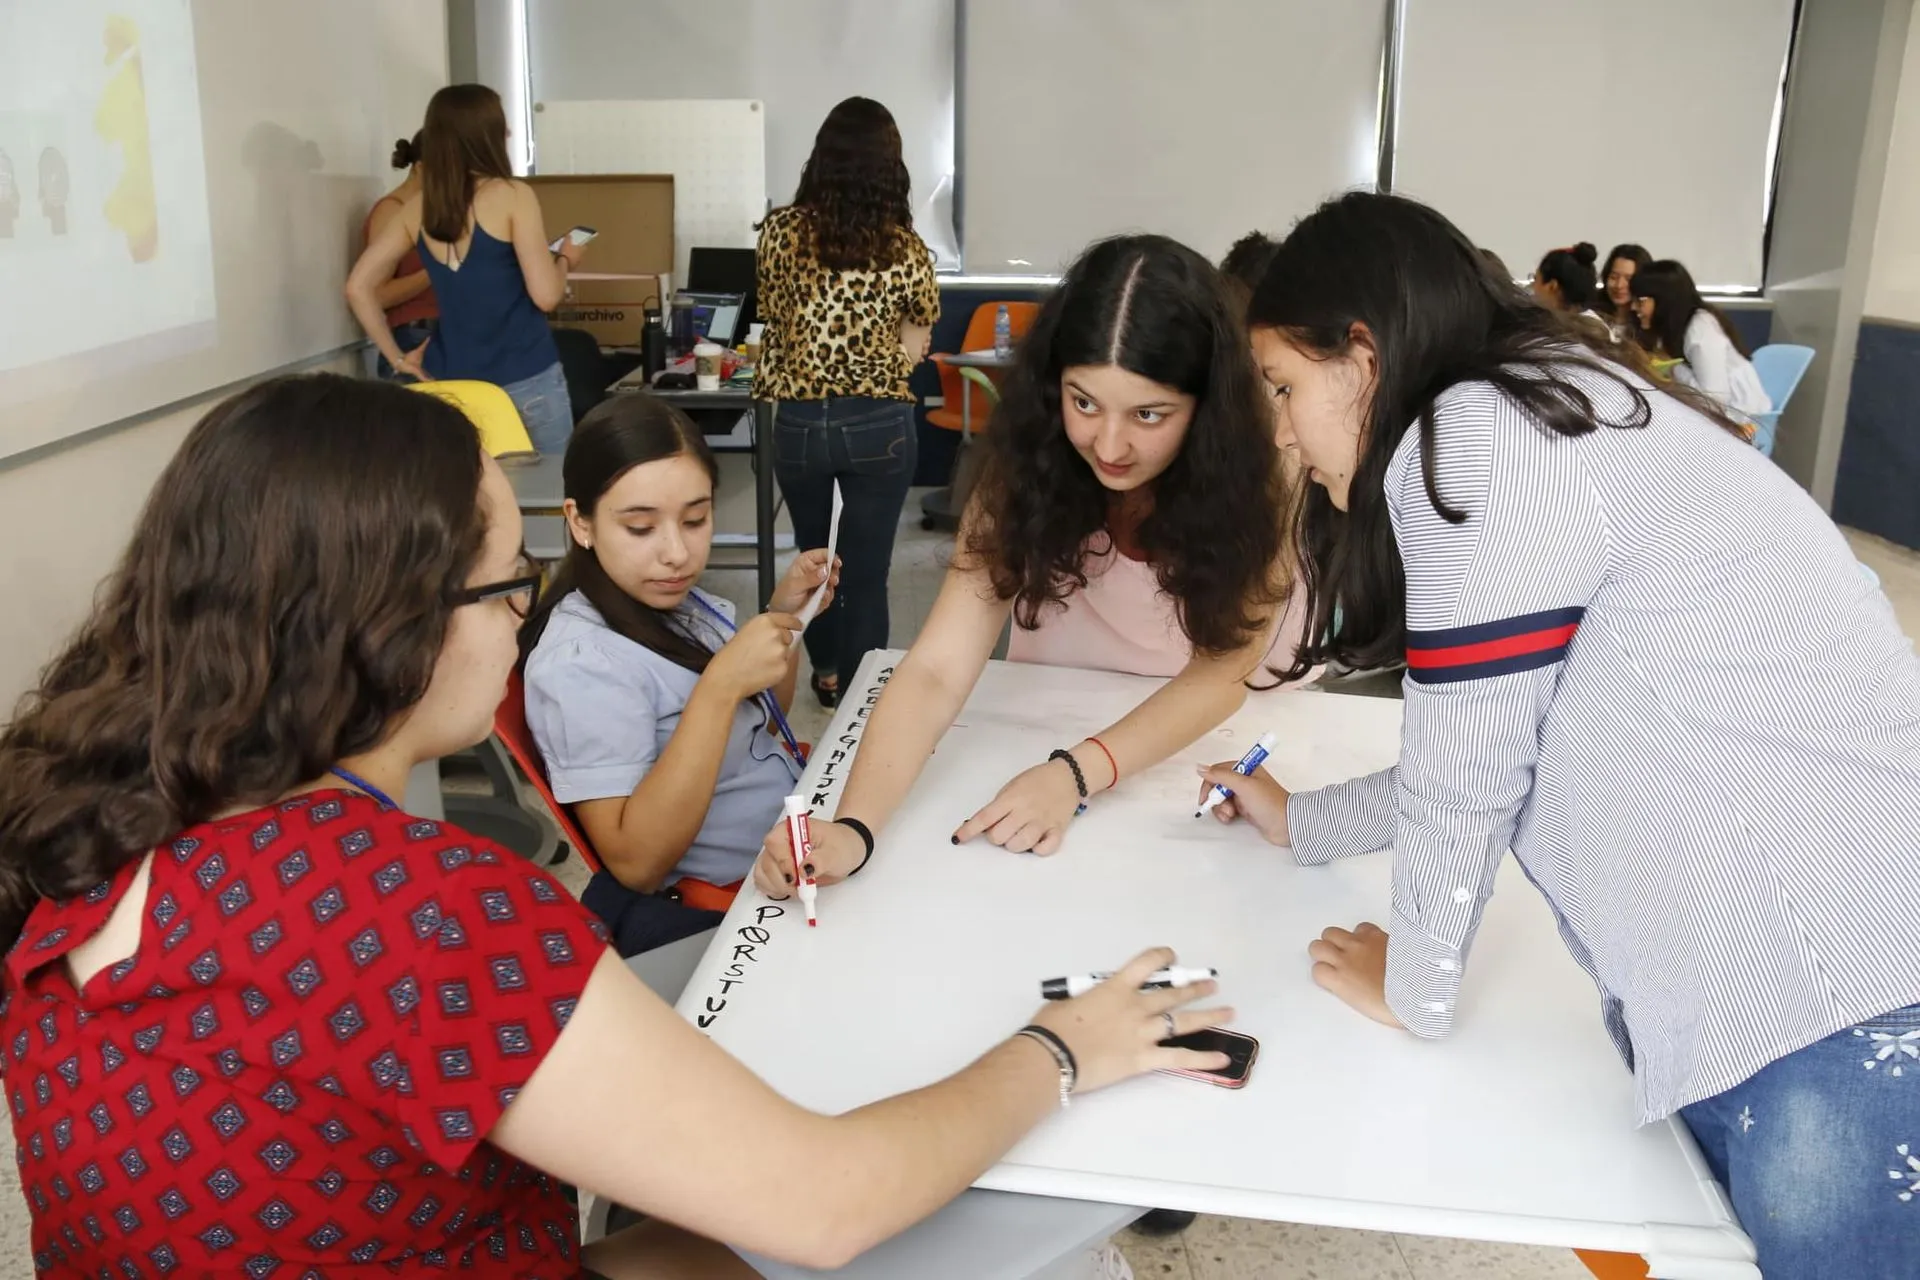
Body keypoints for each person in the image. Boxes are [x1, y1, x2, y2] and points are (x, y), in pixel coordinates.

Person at [0, 373, 1233, 1278]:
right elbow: (829, 1202)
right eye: (505, 582)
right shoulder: (425, 911)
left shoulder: (86, 827)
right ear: (391, 625)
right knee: (990, 1211)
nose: (519, 615)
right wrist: (1060, 1047)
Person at [1210, 190, 1920, 1280]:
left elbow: (1468, 780)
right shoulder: (1562, 405)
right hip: (1824, 987)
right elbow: (1499, 742)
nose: (1282, 428)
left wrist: (1415, 986)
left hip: (1830, 1012)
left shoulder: (1473, 435)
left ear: (1361, 351)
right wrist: (1306, 821)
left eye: (1284, 387)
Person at [750, 233, 1300, 897]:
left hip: (1209, 742)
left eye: (1149, 414)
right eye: (1084, 402)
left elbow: (1223, 674)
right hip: (1052, 713)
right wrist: (855, 829)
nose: (1110, 444)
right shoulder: (1027, 466)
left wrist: (1074, 774)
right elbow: (936, 666)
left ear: (1207, 409)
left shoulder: (1268, 470)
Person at [519, 395, 837, 954]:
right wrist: (717, 688)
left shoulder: (689, 606)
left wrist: (783, 619)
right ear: (580, 522)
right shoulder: (582, 663)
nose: (677, 553)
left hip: (796, 841)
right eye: (641, 527)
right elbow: (636, 864)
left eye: (696, 519)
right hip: (738, 906)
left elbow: (765, 719)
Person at [755, 96, 939, 710]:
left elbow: (774, 321)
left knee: (814, 559)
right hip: (878, 419)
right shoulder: (905, 248)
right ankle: (860, 696)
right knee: (867, 572)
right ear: (891, 167)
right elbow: (916, 343)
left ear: (822, 159)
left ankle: (827, 668)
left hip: (802, 421)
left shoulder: (781, 232)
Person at [347, 84, 582, 455]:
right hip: (526, 378)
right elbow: (547, 296)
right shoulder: (512, 195)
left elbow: (358, 288)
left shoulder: (416, 208)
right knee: (553, 497)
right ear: (484, 134)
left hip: (453, 387)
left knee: (468, 504)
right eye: (501, 125)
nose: (507, 133)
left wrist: (395, 358)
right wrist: (566, 259)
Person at [1629, 259, 1771, 421]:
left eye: (1640, 301)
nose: (1633, 308)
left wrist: (1674, 369)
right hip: (1717, 416)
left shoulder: (1700, 329)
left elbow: (1714, 400)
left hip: (1742, 421)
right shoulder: (1675, 326)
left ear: (1664, 300)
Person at [358, 131, 439, 379]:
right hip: (413, 337)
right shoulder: (392, 211)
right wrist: (437, 271)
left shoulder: (434, 211)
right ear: (420, 168)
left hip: (443, 335)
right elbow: (377, 294)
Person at [1529, 242, 1604, 321]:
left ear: (1552, 286)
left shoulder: (1552, 330)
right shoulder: (1597, 325)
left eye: (1535, 279)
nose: (1533, 286)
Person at [1598, 242, 1652, 332]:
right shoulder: (1590, 320)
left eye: (1628, 279)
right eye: (1614, 277)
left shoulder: (1649, 325)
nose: (1619, 285)